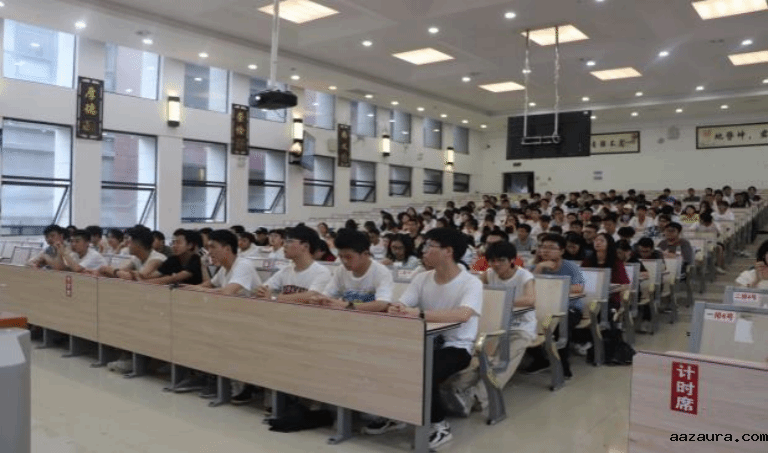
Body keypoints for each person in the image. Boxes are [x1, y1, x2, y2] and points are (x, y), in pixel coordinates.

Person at [373, 228, 481, 449]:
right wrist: (396, 307)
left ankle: (439, 425)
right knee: (384, 359)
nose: (424, 251)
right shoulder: (422, 278)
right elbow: (404, 303)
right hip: (422, 341)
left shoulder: (471, 283)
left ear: (448, 251)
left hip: (456, 346)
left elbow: (463, 314)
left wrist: (418, 314)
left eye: (430, 246)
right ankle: (397, 414)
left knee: (423, 370)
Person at [525, 234, 585, 378]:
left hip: (569, 308)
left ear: (562, 251)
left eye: (551, 248)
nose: (546, 251)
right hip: (541, 309)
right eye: (543, 247)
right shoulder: (536, 266)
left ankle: (563, 366)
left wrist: (552, 287)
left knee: (559, 326)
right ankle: (540, 359)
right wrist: (539, 268)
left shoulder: (570, 266)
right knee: (522, 323)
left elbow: (579, 288)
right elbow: (527, 288)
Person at [312, 229, 393, 312]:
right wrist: (320, 299)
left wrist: (346, 305)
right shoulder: (341, 270)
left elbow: (382, 304)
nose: (344, 261)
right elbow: (328, 295)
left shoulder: (381, 272)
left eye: (349, 257)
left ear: (365, 254)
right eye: (341, 256)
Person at [255, 225, 332, 304]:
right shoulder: (286, 271)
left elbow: (312, 296)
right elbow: (264, 288)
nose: (284, 245)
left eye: (289, 241)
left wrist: (275, 298)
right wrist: (261, 291)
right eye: (285, 241)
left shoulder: (321, 272)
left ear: (305, 246)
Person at [187, 229, 261, 296]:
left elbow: (227, 292)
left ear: (227, 249)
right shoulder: (224, 268)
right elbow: (207, 285)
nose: (209, 252)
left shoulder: (244, 265)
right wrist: (184, 287)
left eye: (213, 247)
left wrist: (200, 290)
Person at [97, 227, 167, 281]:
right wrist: (107, 270)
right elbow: (121, 270)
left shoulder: (157, 259)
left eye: (129, 242)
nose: (127, 246)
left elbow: (139, 277)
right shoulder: (136, 258)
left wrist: (113, 270)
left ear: (138, 244)